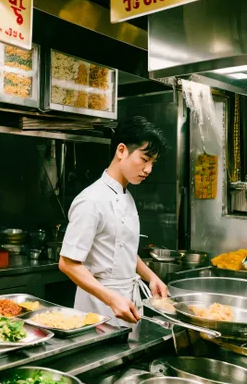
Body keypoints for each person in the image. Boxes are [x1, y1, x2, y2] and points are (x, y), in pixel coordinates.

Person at [59, 116, 168, 326]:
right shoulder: (91, 200)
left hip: (128, 302)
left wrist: (151, 277)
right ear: (121, 151)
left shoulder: (127, 196)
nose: (148, 170)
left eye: (152, 163)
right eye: (145, 160)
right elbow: (68, 263)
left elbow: (122, 247)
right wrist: (111, 298)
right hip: (97, 307)